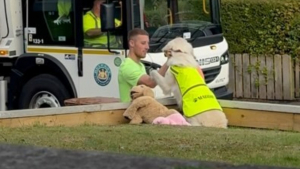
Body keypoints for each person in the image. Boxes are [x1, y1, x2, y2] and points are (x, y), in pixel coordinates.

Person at [118, 28, 169, 102]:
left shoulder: (140, 65)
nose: (147, 47)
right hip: (132, 111)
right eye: (143, 43)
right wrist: (169, 61)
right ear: (132, 43)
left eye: (148, 43)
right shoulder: (128, 67)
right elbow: (151, 83)